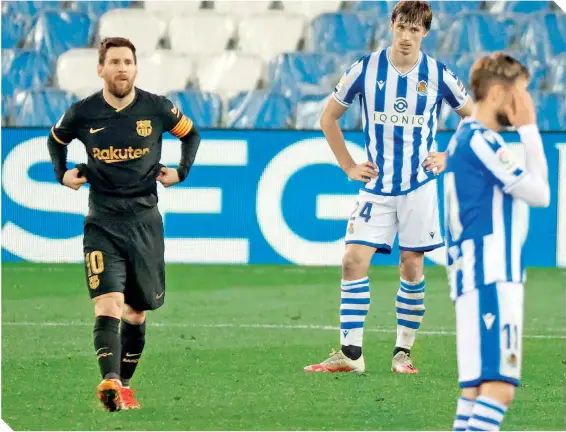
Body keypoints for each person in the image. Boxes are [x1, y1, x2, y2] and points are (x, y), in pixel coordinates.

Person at [304, 1, 474, 374]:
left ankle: (402, 353)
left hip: (419, 187)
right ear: (391, 25)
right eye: (402, 27)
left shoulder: (439, 74)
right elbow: (328, 118)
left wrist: (448, 155)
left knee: (411, 268)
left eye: (415, 30)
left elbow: (471, 117)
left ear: (425, 33)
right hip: (376, 187)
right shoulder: (364, 69)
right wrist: (348, 165)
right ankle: (350, 355)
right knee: (352, 261)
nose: (407, 36)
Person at [47, 37, 201, 411]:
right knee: (108, 303)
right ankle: (110, 380)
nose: (122, 69)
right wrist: (60, 173)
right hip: (101, 221)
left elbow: (191, 134)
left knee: (136, 311)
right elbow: (56, 141)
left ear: (136, 68)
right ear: (100, 69)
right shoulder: (83, 112)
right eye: (114, 62)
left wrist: (181, 172)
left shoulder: (158, 108)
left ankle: (124, 386)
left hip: (145, 221)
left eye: (128, 62)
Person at [445, 52, 549, 431]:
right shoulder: (482, 141)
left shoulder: (464, 137)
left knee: (474, 393)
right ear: (496, 94)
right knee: (498, 389)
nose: (524, 103)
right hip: (490, 275)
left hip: (473, 276)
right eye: (519, 94)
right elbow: (540, 194)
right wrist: (529, 128)